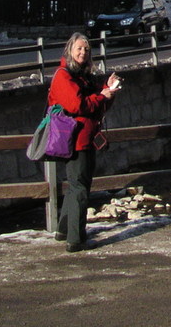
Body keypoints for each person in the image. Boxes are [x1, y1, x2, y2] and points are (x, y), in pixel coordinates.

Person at [47, 32, 120, 252]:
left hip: (84, 138)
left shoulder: (81, 76)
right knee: (79, 187)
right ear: (69, 50)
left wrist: (107, 89)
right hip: (75, 140)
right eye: (79, 48)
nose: (83, 53)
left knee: (76, 185)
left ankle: (64, 230)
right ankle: (76, 239)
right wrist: (102, 96)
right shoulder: (64, 76)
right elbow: (77, 105)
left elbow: (95, 102)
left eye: (86, 49)